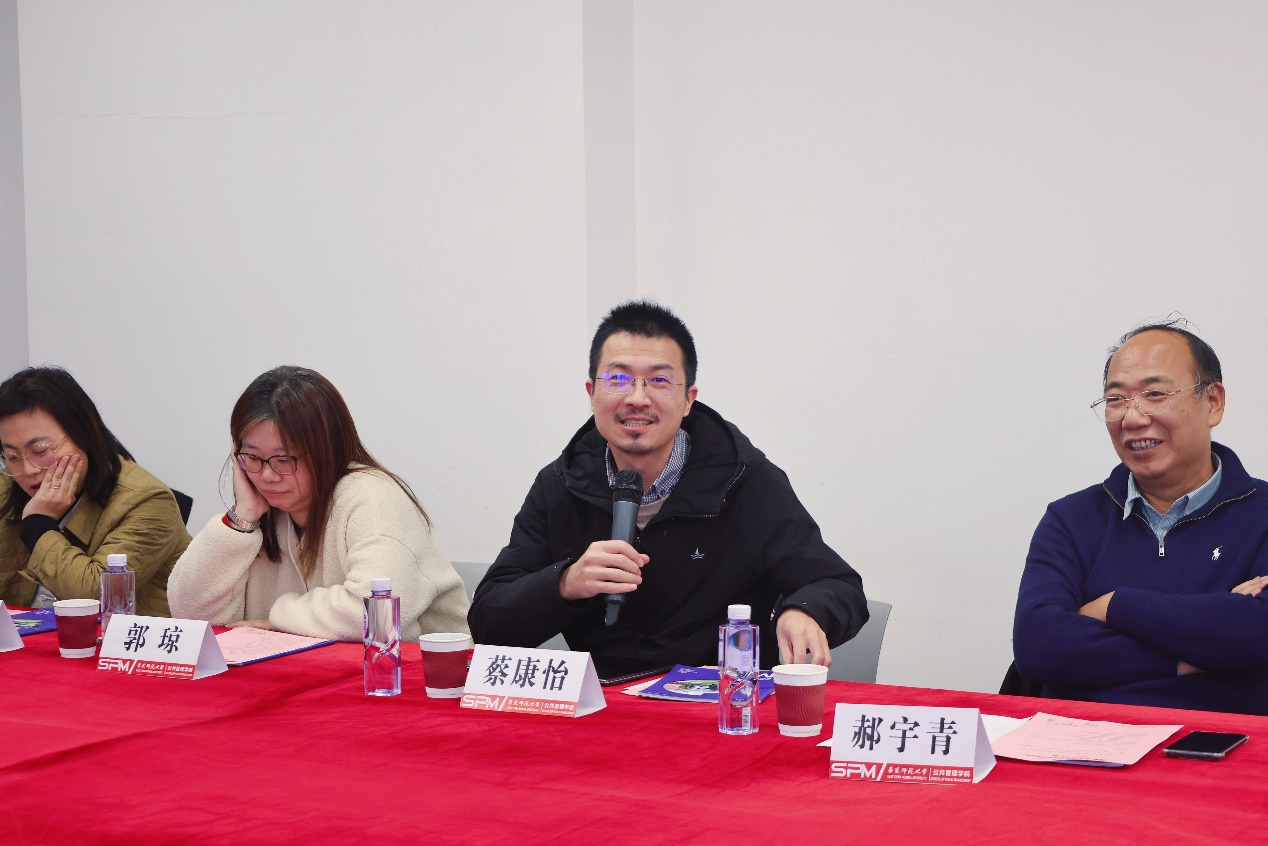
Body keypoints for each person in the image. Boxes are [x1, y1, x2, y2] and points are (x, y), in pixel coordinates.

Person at [468, 301, 867, 676]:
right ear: (591, 394)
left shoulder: (745, 481)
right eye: (618, 378)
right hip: (601, 707)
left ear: (689, 399)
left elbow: (839, 586)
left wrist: (804, 610)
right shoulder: (561, 484)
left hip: (716, 706)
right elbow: (488, 623)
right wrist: (565, 583)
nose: (637, 398)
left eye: (659, 380)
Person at [1013, 319, 1268, 714]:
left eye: (1155, 393)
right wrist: (1192, 656)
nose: (1132, 418)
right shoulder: (1070, 519)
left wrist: (1114, 605)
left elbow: (1256, 634)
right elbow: (1039, 646)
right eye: (1116, 399)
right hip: (1081, 740)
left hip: (1225, 743)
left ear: (1212, 402)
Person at [168, 366, 468, 642]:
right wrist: (242, 518)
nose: (268, 475)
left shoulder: (373, 500)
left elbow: (378, 613)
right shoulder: (261, 513)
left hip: (419, 675)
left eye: (284, 459)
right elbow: (190, 614)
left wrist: (279, 618)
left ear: (326, 450)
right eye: (253, 457)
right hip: (298, 673)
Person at [0, 366, 189, 614]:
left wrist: (38, 525)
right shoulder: (6, 489)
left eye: (40, 451)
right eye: (12, 456)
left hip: (118, 638)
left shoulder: (148, 502)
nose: (28, 470)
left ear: (84, 434)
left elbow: (96, 597)